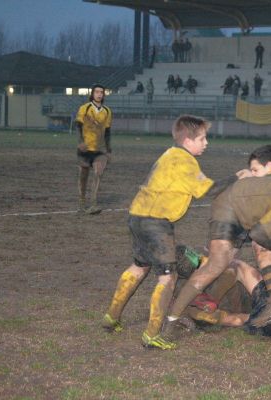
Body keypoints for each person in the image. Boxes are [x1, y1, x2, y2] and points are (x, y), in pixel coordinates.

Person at [101, 115, 248, 349]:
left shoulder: (170, 154)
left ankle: (112, 316)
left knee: (139, 266)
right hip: (156, 223)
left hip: (137, 216)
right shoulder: (184, 160)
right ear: (188, 140)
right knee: (167, 277)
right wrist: (237, 177)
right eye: (202, 138)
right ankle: (152, 334)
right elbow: (207, 190)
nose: (206, 142)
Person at [164, 147, 271, 338]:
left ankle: (172, 318)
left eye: (254, 170)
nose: (251, 175)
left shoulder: (270, 189)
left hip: (267, 307)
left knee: (232, 263)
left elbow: (235, 318)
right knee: (242, 258)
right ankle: (173, 318)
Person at [75, 84, 112, 214]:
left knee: (98, 174)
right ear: (92, 94)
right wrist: (80, 142)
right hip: (85, 149)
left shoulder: (107, 111)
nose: (99, 94)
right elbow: (78, 126)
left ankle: (93, 204)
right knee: (83, 176)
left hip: (99, 150)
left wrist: (108, 150)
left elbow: (107, 131)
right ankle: (81, 202)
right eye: (97, 92)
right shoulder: (84, 108)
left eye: (101, 92)